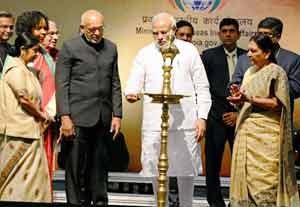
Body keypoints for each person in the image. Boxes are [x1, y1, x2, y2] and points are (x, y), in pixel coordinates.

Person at [125, 12, 211, 207]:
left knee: (185, 170)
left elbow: (202, 87)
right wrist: (132, 92)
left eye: (163, 32)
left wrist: (202, 117)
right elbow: (133, 81)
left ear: (173, 30)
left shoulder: (189, 51)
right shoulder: (145, 53)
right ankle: (159, 203)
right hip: (155, 121)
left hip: (186, 121)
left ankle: (187, 204)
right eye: (155, 33)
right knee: (156, 169)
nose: (160, 37)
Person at [55, 9, 122, 206]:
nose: (97, 33)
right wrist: (65, 116)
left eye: (100, 29)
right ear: (82, 28)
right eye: (92, 29)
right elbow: (62, 84)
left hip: (103, 117)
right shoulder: (69, 47)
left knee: (100, 166)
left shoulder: (111, 47)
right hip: (77, 117)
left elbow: (115, 82)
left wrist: (117, 114)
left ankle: (100, 201)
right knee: (75, 167)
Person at [227, 33, 300, 207]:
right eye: (248, 51)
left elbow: (277, 103)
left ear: (267, 53)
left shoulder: (276, 71)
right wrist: (239, 98)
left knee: (267, 181)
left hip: (267, 136)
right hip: (247, 131)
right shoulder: (249, 72)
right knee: (247, 181)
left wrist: (249, 98)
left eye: (253, 51)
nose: (249, 55)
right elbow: (246, 100)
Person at [0, 32, 52, 202]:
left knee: (33, 181)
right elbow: (24, 100)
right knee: (16, 182)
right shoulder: (15, 69)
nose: (37, 54)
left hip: (31, 130)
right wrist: (42, 115)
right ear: (23, 49)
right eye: (35, 50)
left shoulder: (27, 70)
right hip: (19, 133)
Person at [201, 18, 246, 207]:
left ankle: (239, 201)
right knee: (213, 164)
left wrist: (238, 113)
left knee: (243, 165)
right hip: (215, 119)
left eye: (232, 31)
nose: (228, 34)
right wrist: (218, 114)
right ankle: (215, 203)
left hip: (242, 118)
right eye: (224, 31)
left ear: (238, 34)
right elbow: (202, 88)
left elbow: (252, 88)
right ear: (219, 34)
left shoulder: (248, 56)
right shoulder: (208, 56)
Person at [15, 11, 56, 178]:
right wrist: (39, 114)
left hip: (45, 120)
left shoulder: (44, 55)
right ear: (27, 30)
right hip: (30, 121)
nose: (44, 32)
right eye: (39, 28)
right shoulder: (24, 57)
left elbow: (51, 87)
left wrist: (49, 113)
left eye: (44, 28)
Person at [232, 17, 300, 111]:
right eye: (259, 34)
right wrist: (238, 92)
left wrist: (262, 91)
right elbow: (235, 83)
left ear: (278, 37)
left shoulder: (292, 60)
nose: (262, 37)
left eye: (267, 34)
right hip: (246, 115)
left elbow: (296, 90)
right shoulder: (244, 59)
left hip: (276, 118)